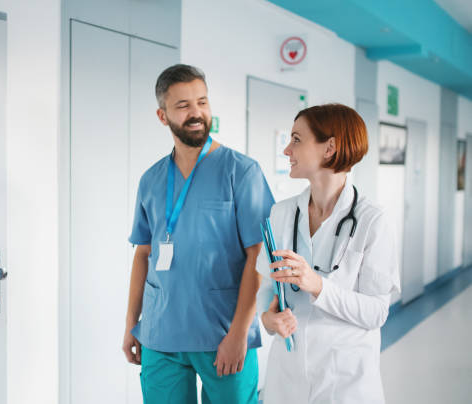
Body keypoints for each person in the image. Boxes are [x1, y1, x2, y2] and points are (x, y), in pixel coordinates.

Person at [122, 64, 274, 404]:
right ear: (163, 116)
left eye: (202, 102)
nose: (196, 113)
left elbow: (258, 255)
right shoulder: (151, 180)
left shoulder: (242, 172)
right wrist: (133, 324)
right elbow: (143, 254)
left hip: (223, 332)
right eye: (183, 106)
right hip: (161, 334)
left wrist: (239, 334)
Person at [256, 104, 400, 403]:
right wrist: (268, 319)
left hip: (345, 382)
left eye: (296, 139)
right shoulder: (281, 213)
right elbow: (266, 288)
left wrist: (318, 285)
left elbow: (376, 312)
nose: (286, 149)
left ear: (330, 148)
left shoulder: (372, 220)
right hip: (287, 380)